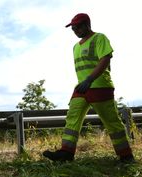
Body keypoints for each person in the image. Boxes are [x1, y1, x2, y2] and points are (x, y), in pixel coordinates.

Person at [43, 13, 135, 163]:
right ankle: (66, 153)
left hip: (99, 87)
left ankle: (126, 156)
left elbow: (105, 59)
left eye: (78, 27)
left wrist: (90, 79)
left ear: (87, 25)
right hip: (82, 88)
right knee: (72, 118)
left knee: (111, 122)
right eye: (73, 28)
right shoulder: (75, 47)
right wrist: (84, 82)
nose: (75, 30)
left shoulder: (99, 38)